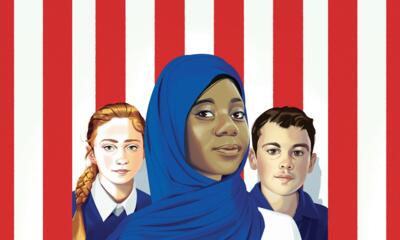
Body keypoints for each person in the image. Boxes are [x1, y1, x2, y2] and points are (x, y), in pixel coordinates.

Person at [107, 54, 301, 239]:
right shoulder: (132, 235)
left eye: (238, 114)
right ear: (170, 128)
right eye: (205, 114)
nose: (230, 127)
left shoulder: (280, 231)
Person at [72, 103, 151, 240]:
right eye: (109, 147)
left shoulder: (155, 210)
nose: (121, 159)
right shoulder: (68, 208)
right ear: (91, 153)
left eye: (132, 147)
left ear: (144, 151)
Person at [249, 106, 328, 240]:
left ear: (311, 162)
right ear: (253, 158)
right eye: (273, 151)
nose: (286, 163)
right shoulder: (229, 219)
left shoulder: (329, 222)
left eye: (297, 152)